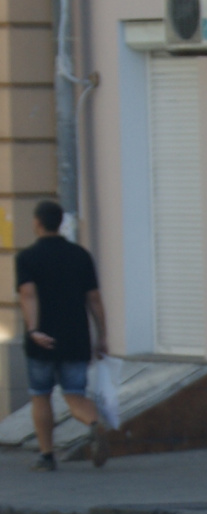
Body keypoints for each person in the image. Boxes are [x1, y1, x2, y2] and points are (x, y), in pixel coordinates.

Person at [14, 201, 110, 470]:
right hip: (75, 336)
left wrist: (34, 330)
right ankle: (94, 423)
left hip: (42, 341)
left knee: (41, 395)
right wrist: (102, 336)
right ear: (61, 223)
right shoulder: (80, 255)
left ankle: (47, 456)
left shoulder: (27, 258)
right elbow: (94, 299)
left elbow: (28, 294)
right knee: (75, 395)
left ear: (37, 223)